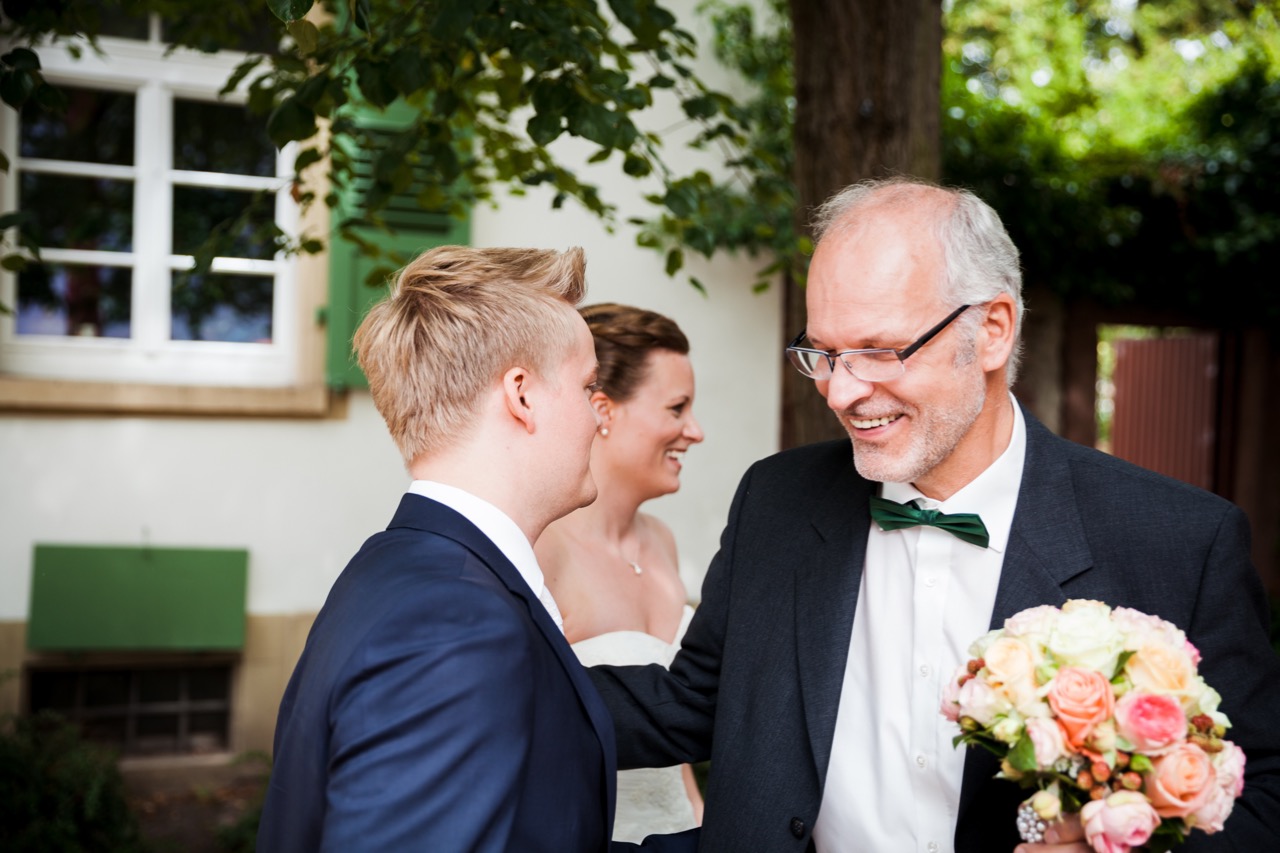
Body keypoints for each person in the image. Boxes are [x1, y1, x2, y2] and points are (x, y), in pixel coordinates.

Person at [588, 178, 1280, 852]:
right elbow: (694, 702)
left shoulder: (1180, 541)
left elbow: (1261, 796)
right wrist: (521, 682)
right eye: (824, 354)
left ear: (992, 331)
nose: (841, 392)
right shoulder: (777, 500)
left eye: (879, 351)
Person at [257, 246, 697, 852]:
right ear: (522, 395)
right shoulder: (455, 621)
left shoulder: (394, 566)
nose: (596, 419)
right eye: (587, 386)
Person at [537, 303, 706, 842]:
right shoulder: (542, 551)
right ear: (604, 410)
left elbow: (671, 725)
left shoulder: (662, 542)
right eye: (677, 408)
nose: (695, 431)